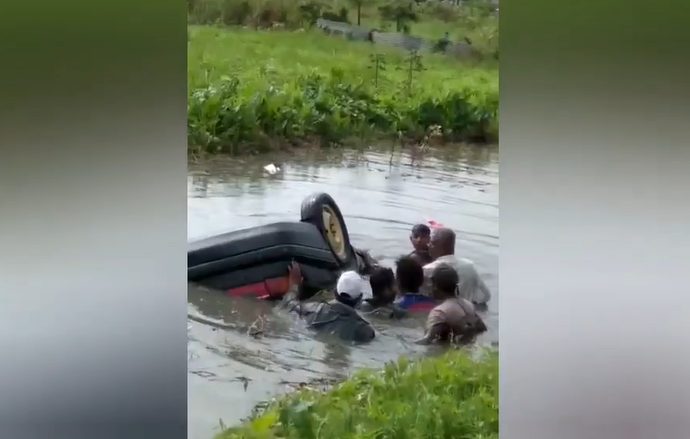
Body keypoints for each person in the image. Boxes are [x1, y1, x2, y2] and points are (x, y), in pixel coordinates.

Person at [282, 262, 376, 343]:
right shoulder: (366, 332)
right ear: (360, 298)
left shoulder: (312, 310)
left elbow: (288, 305)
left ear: (335, 292)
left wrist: (294, 285)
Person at [416, 264, 487, 345]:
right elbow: (481, 329)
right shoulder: (469, 305)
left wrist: (411, 344)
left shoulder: (440, 312)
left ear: (435, 286)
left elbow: (428, 341)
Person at [421, 227, 491, 305]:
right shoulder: (469, 266)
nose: (428, 245)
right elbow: (485, 296)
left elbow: (420, 299)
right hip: (466, 312)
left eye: (430, 242)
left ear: (434, 245)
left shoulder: (427, 270)